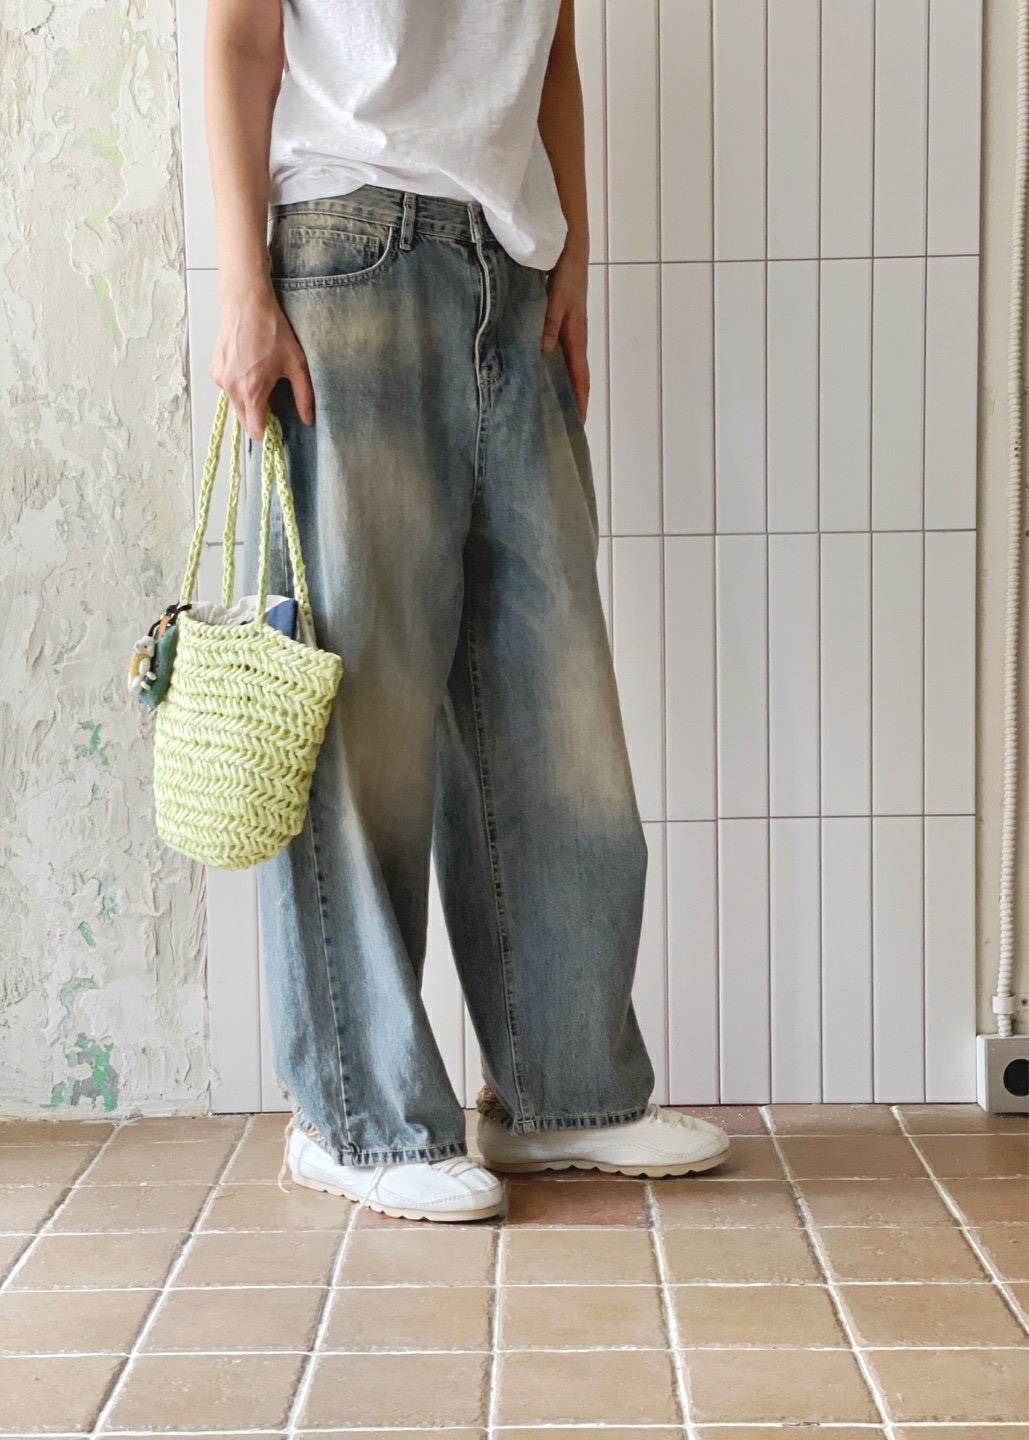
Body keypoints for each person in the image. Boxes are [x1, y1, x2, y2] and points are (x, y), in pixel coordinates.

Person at [206, 0, 730, 1223]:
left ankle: (562, 1092)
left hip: (510, 265)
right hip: (346, 249)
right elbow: (238, 38)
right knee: (360, 725)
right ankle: (355, 1116)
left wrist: (571, 256)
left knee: (554, 705)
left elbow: (553, 52)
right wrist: (242, 286)